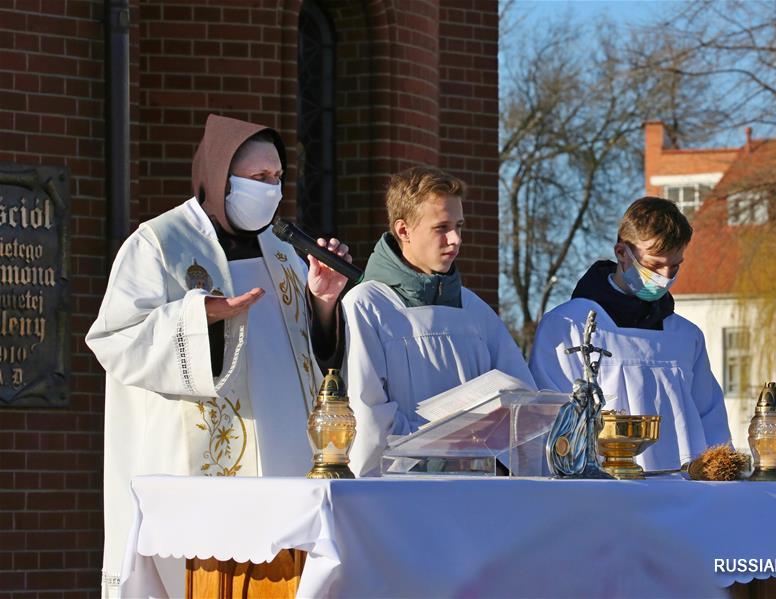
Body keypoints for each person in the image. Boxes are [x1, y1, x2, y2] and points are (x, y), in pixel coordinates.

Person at [86, 114, 351, 596]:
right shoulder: (158, 243)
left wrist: (324, 304)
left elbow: (311, 357)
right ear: (219, 176)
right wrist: (198, 319)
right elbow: (113, 339)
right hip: (197, 476)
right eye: (258, 179)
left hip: (288, 472)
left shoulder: (284, 249)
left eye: (277, 179)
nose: (271, 190)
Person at [342, 166, 535, 477]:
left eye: (459, 225)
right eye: (441, 227)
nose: (455, 239)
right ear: (403, 230)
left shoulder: (475, 311)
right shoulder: (367, 305)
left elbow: (524, 407)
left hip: (476, 489)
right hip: (402, 489)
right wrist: (439, 455)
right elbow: (368, 416)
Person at [529, 196, 730, 472]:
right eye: (655, 266)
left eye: (675, 266)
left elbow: (710, 417)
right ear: (622, 253)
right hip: (599, 492)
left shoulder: (685, 336)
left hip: (682, 493)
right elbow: (548, 420)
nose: (666, 277)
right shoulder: (567, 327)